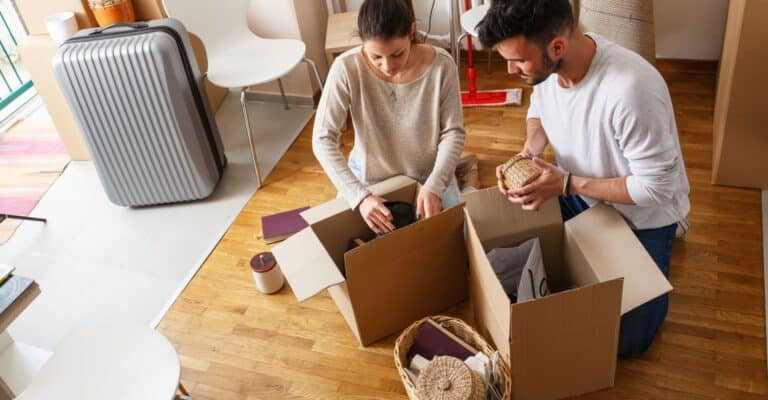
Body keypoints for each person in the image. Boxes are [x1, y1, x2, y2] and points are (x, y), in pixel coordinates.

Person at [477, 0, 690, 357]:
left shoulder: (630, 89)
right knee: (510, 253)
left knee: (626, 342)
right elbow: (538, 112)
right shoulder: (545, 68)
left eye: (518, 60)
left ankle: (673, 232)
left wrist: (564, 184)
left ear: (557, 46)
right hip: (576, 191)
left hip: (640, 217)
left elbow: (657, 188)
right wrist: (529, 154)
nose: (511, 70)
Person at [313, 0, 469, 235]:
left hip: (427, 175)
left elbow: (453, 132)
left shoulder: (442, 65)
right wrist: (360, 196)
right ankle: (467, 174)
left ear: (412, 31)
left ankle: (469, 180)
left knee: (459, 241)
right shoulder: (345, 68)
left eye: (397, 53)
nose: (387, 66)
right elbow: (322, 140)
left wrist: (436, 185)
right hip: (369, 177)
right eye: (375, 56)